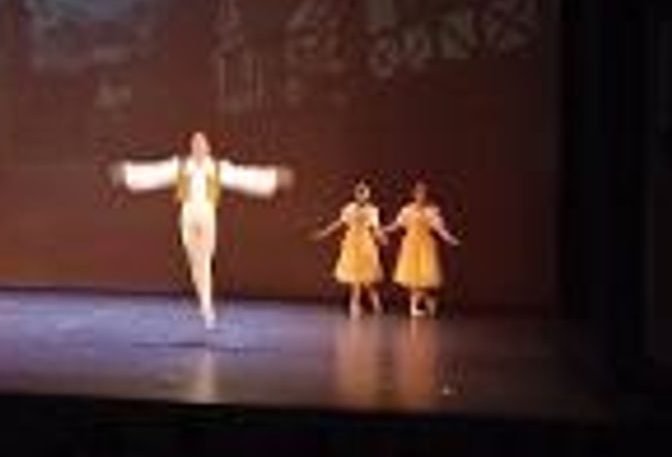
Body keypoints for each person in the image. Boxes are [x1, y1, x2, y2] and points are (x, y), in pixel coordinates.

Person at [111, 131, 293, 327]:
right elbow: (155, 174)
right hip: (188, 212)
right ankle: (205, 304)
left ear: (208, 147)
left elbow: (244, 177)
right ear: (191, 147)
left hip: (207, 213)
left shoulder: (217, 168)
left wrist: (273, 178)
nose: (198, 146)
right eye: (195, 143)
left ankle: (206, 307)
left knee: (204, 259)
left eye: (202, 143)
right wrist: (128, 174)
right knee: (195, 260)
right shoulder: (181, 166)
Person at [383, 180, 461, 318]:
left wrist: (450, 239)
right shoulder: (407, 210)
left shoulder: (431, 211)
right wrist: (384, 229)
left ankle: (420, 304)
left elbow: (440, 229)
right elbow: (397, 225)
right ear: (414, 194)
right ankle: (421, 304)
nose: (420, 195)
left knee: (422, 278)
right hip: (410, 244)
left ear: (426, 195)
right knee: (413, 278)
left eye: (423, 193)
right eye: (418, 193)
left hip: (425, 245)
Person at [311, 182, 386, 317]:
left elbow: (375, 227)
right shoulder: (349, 208)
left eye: (364, 193)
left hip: (365, 243)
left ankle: (376, 305)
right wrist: (324, 232)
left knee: (368, 280)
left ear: (368, 195)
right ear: (356, 194)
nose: (361, 196)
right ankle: (354, 305)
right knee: (355, 278)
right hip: (352, 243)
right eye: (359, 193)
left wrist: (381, 238)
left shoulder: (372, 210)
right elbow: (339, 223)